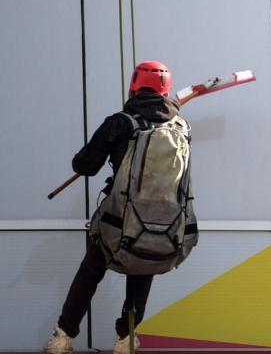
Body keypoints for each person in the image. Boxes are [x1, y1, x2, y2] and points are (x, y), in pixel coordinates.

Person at [43, 61, 184, 354]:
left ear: (134, 85)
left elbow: (85, 165)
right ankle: (125, 340)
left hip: (118, 217)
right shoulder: (179, 126)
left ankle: (62, 338)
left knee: (91, 270)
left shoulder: (120, 122)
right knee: (142, 268)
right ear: (166, 88)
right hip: (162, 222)